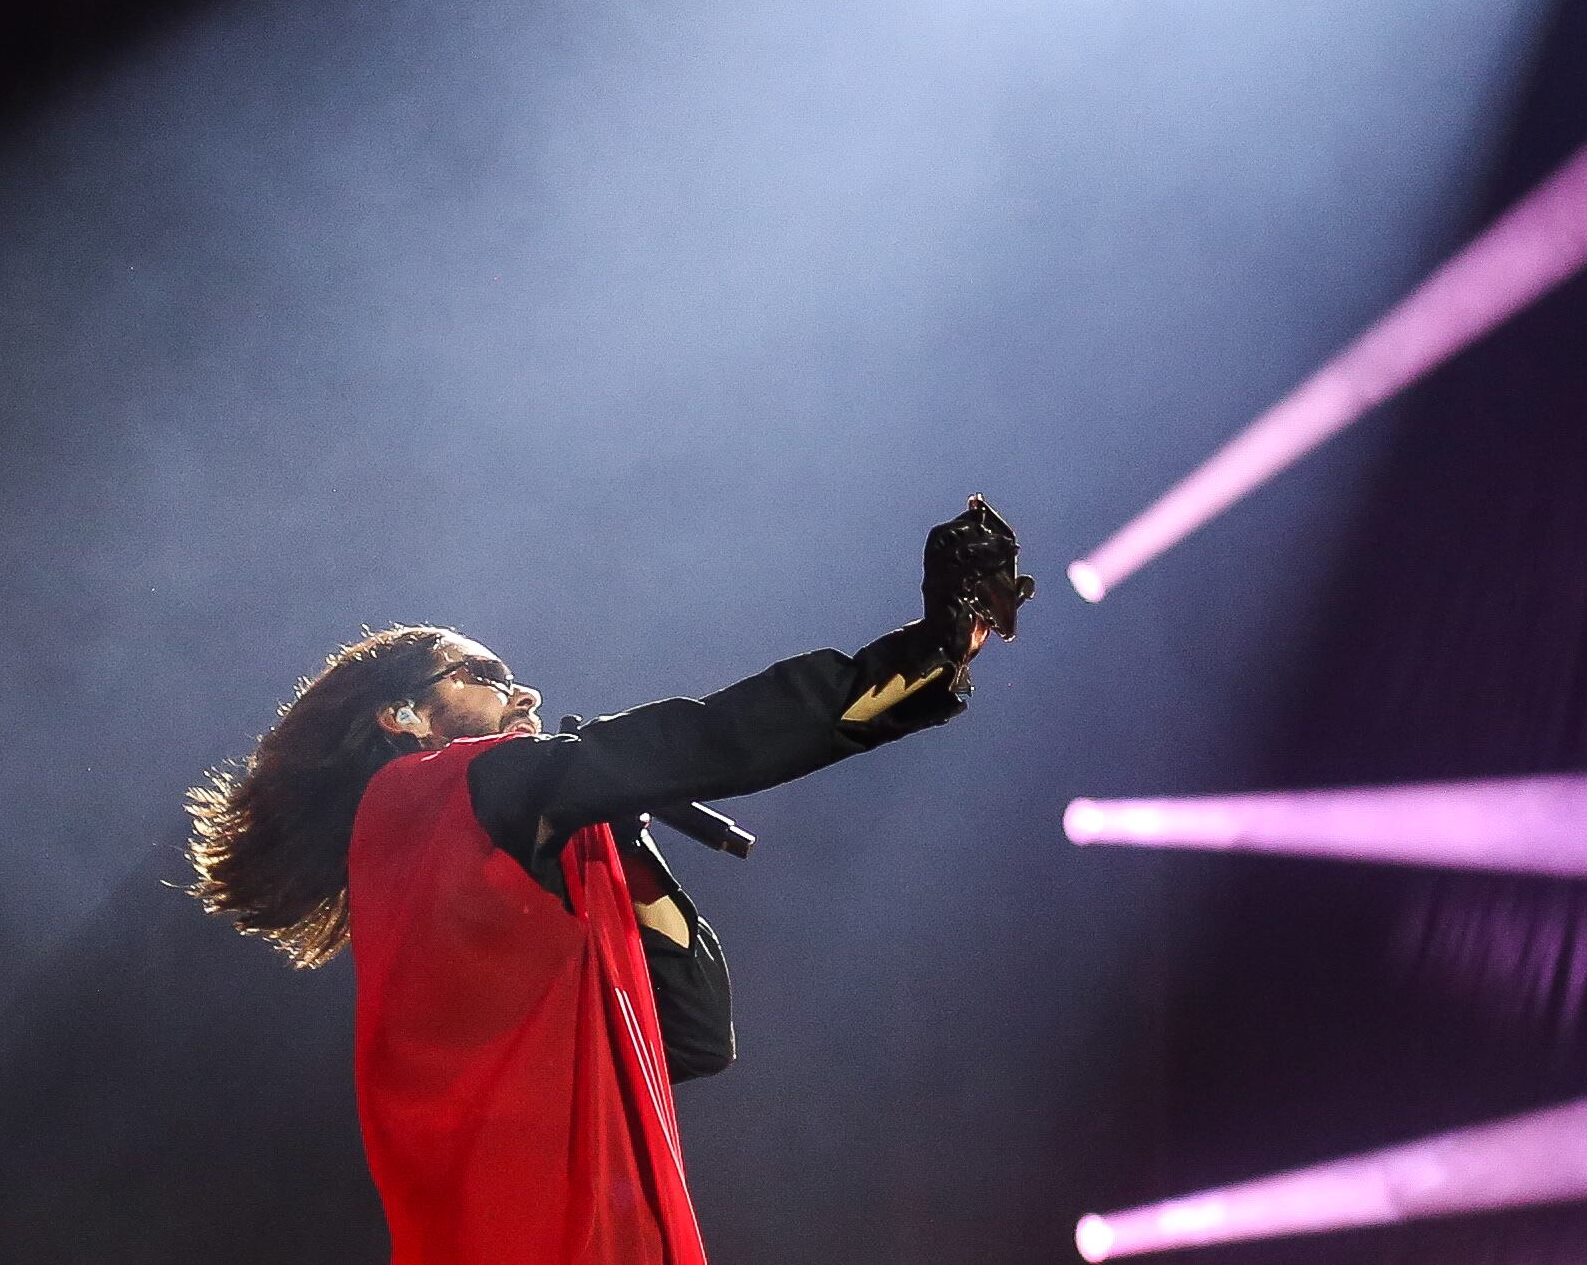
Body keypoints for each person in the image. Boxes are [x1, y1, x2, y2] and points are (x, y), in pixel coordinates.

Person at [184, 501, 1031, 1264]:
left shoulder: (495, 847)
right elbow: (710, 739)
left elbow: (697, 1035)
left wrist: (626, 836)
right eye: (481, 674)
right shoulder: (430, 793)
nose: (524, 690)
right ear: (401, 716)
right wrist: (921, 653)